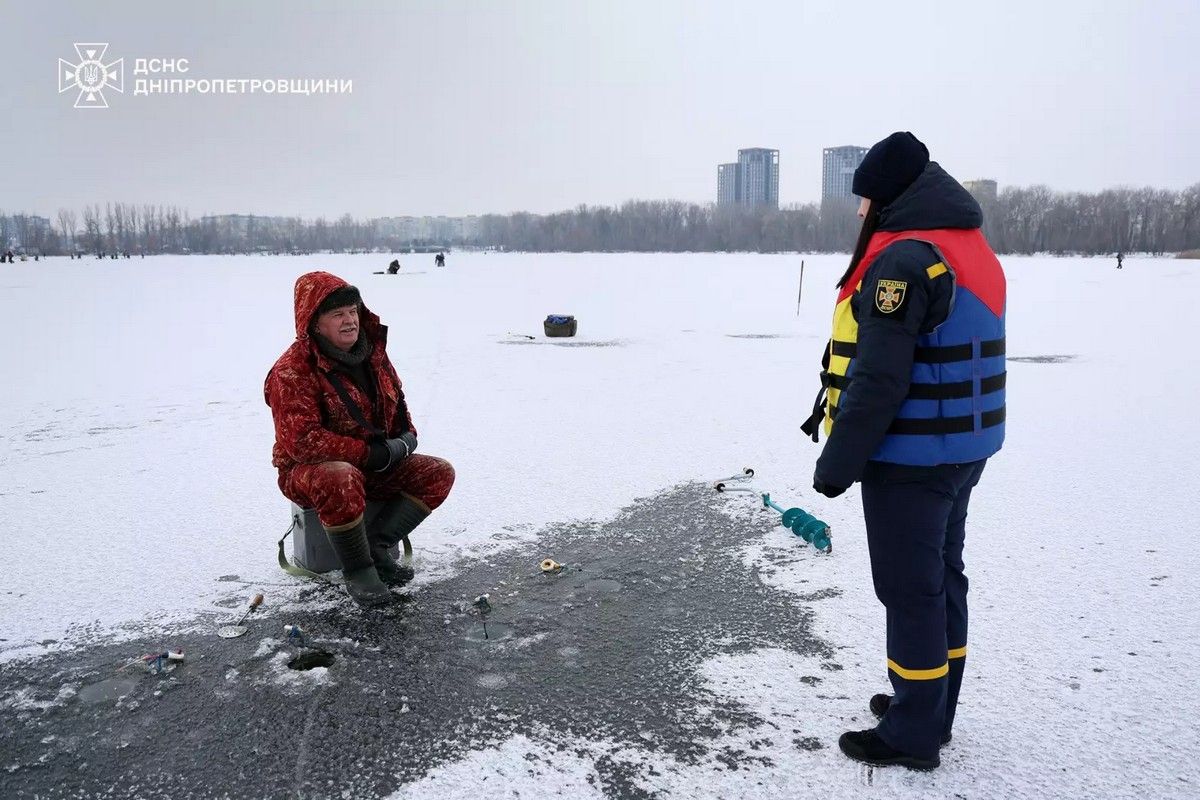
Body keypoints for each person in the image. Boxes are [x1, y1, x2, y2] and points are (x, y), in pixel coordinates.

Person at [801, 132, 1006, 770]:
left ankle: (912, 736)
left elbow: (879, 379)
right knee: (941, 579)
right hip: (960, 452)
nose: (860, 212)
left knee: (910, 591)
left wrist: (838, 463)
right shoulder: (965, 247)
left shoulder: (902, 262)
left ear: (891, 198)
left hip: (911, 461)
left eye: (866, 200)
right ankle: (930, 709)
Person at [264, 271, 456, 607]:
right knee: (341, 475)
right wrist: (370, 454)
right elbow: (302, 441)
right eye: (337, 315)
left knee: (439, 472)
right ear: (314, 323)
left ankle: (377, 547)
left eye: (352, 311)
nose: (349, 320)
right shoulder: (291, 371)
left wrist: (406, 440)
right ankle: (358, 569)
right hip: (308, 473)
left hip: (372, 465)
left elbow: (399, 407)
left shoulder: (373, 355)